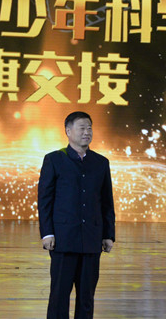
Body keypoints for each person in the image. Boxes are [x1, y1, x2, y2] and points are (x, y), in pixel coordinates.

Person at [38, 111, 116, 319]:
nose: (87, 132)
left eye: (89, 128)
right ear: (68, 131)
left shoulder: (101, 163)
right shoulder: (54, 160)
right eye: (82, 128)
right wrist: (47, 233)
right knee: (59, 296)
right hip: (63, 239)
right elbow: (45, 200)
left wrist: (108, 234)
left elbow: (107, 202)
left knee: (86, 297)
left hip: (91, 240)